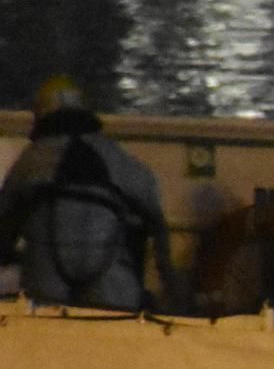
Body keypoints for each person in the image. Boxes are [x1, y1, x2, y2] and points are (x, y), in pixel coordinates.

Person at [0, 77, 170, 310]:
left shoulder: (31, 160)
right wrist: (169, 284)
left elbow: (5, 222)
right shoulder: (116, 157)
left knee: (47, 326)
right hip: (111, 277)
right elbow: (154, 216)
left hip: (47, 275)